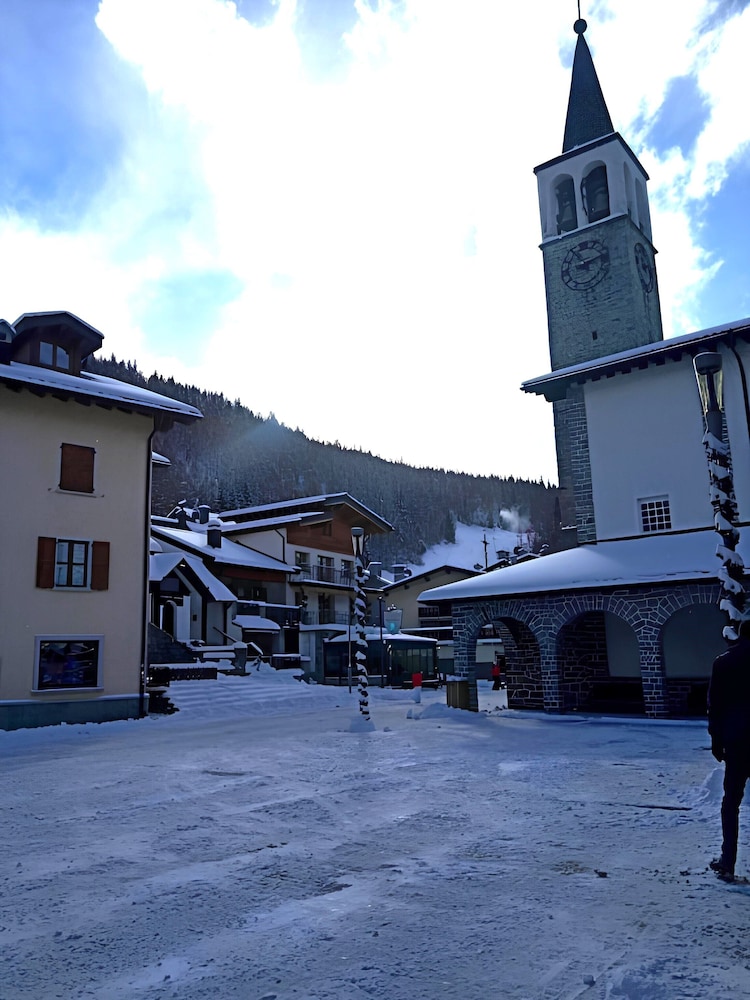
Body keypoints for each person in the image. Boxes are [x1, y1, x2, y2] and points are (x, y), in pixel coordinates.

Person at [707, 619, 750, 879]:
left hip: (737, 742)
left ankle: (728, 861)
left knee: (731, 802)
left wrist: (716, 740)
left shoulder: (723, 663)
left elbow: (715, 706)